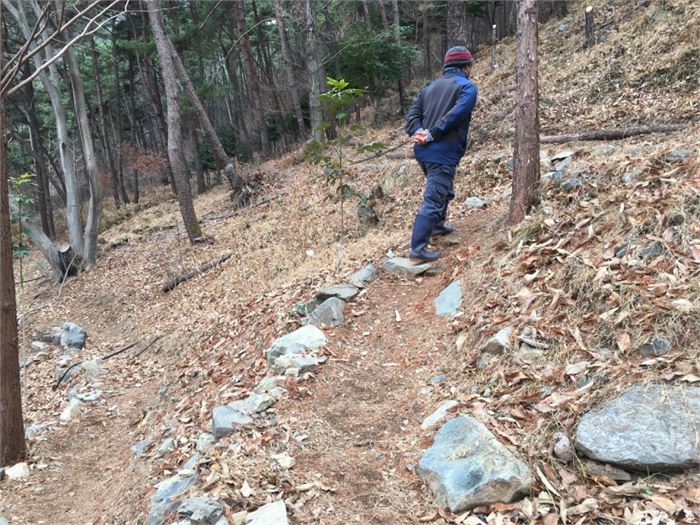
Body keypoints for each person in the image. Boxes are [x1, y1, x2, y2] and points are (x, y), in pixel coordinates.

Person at [405, 46, 478, 261]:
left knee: (444, 190)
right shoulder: (467, 88)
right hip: (442, 152)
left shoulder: (429, 88)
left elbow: (412, 117)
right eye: (470, 65)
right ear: (466, 66)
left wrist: (419, 132)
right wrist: (432, 134)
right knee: (434, 197)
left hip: (425, 152)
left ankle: (437, 226)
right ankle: (417, 249)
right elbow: (456, 115)